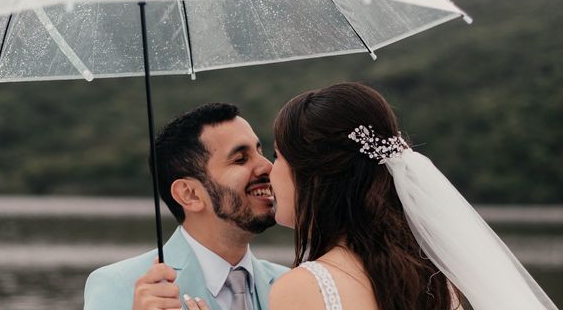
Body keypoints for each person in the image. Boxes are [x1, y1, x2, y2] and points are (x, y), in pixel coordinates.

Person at [182, 82, 558, 310]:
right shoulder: (434, 279)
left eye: (279, 156)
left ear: (314, 175)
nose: (268, 169)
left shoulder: (305, 287)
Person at [84, 103, 287, 310]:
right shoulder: (117, 286)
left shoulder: (292, 284)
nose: (267, 167)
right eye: (240, 159)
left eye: (262, 153)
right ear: (190, 194)